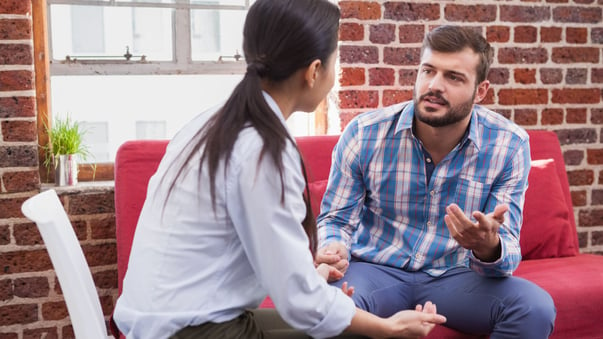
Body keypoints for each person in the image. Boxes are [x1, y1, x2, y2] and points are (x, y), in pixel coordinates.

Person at [113, 1, 447, 338]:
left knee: (344, 326)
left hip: (167, 319)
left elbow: (254, 251)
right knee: (364, 333)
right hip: (192, 331)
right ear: (314, 70)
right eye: (336, 61)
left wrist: (310, 273)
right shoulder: (262, 148)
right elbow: (300, 302)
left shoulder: (213, 122)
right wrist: (387, 328)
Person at [315, 25, 556, 338]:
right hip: (375, 270)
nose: (434, 85)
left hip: (455, 277)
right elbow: (336, 219)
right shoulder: (364, 133)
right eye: (428, 71)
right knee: (332, 306)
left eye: (453, 77)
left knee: (534, 307)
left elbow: (506, 250)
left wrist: (487, 246)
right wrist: (334, 248)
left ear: (480, 91)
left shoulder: (509, 145)